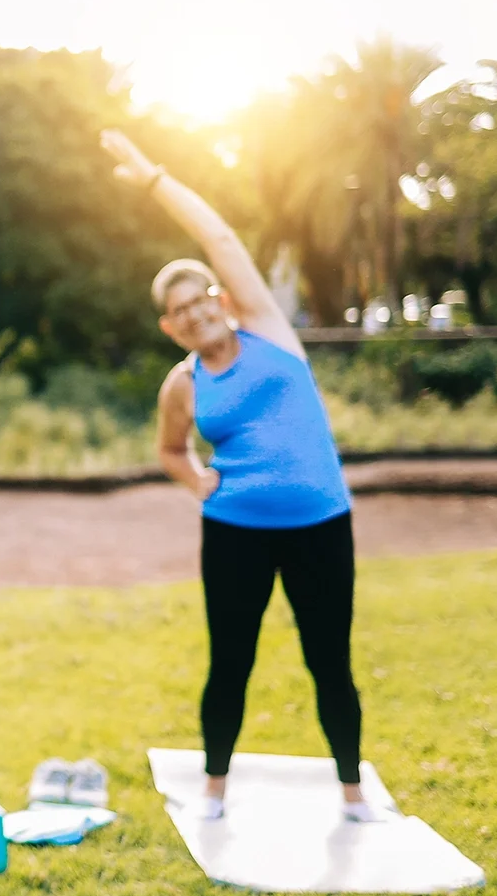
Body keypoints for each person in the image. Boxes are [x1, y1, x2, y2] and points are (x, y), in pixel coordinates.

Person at [100, 129, 381, 824]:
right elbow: (170, 450)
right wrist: (198, 482)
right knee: (231, 663)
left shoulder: (268, 332)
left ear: (221, 300)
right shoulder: (183, 383)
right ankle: (214, 792)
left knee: (329, 661)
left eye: (203, 300)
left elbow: (221, 238)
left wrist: (153, 180)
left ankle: (353, 795)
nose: (196, 315)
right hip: (235, 535)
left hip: (321, 526)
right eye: (181, 312)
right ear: (172, 327)